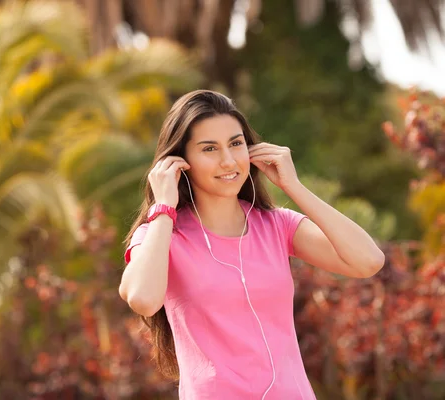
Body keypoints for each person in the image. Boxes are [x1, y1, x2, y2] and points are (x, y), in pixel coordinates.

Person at [118, 90, 385, 400]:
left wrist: (293, 187)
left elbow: (368, 261)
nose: (228, 160)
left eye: (236, 143)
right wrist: (164, 207)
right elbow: (143, 299)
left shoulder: (277, 225)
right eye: (209, 149)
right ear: (180, 162)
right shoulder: (160, 235)